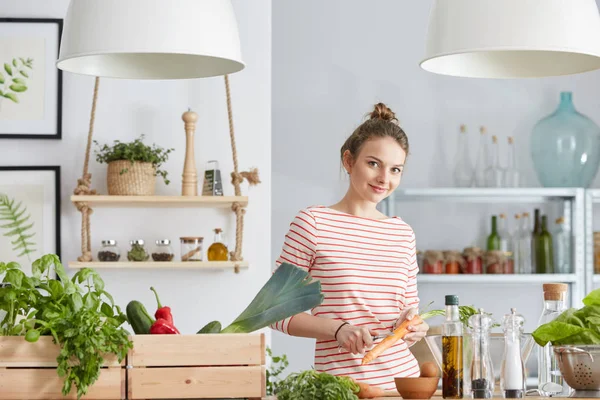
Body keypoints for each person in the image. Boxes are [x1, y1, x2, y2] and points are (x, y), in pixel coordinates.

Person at [270, 103, 428, 391]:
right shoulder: (313, 223)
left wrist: (414, 327)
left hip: (405, 386)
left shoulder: (402, 233)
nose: (384, 178)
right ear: (348, 160)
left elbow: (408, 311)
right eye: (373, 163)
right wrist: (338, 329)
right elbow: (274, 311)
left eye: (395, 169)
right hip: (342, 388)